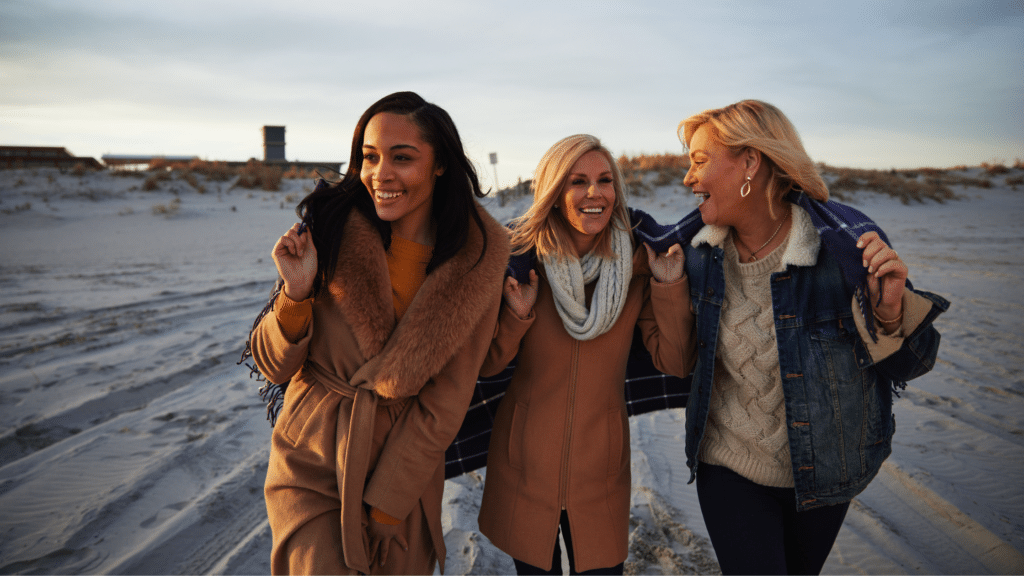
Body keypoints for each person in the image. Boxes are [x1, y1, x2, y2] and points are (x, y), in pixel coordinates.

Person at [635, 100, 948, 575]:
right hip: (728, 465)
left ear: (749, 162)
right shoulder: (697, 258)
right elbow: (677, 360)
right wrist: (668, 285)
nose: (687, 178)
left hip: (824, 472)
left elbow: (911, 364)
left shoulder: (844, 247)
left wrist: (889, 313)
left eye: (699, 161)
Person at [248, 91, 510, 575]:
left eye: (402, 158)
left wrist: (389, 504)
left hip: (403, 473)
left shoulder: (478, 256)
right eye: (369, 157)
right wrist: (296, 292)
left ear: (439, 166)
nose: (380, 174)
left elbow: (446, 399)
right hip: (313, 458)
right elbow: (271, 363)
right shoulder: (330, 225)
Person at [476, 134, 696, 574]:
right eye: (578, 181)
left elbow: (676, 362)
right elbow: (487, 365)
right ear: (555, 194)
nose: (594, 193)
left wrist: (669, 287)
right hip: (524, 461)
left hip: (601, 468)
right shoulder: (521, 262)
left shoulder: (638, 263)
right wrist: (517, 316)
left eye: (604, 180)